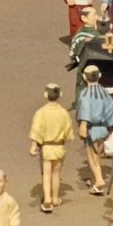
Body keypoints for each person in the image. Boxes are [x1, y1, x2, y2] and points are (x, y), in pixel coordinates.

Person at [28, 83, 74, 212]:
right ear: (60, 95)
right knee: (56, 173)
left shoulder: (41, 113)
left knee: (47, 174)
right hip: (59, 146)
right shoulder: (63, 113)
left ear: (45, 94)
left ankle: (47, 199)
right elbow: (68, 131)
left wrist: (34, 145)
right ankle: (55, 197)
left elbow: (36, 130)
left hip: (47, 147)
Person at [76, 65, 113, 197]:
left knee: (92, 157)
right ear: (100, 76)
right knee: (97, 155)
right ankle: (94, 179)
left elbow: (85, 110)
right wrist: (109, 125)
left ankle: (98, 180)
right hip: (103, 128)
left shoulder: (85, 94)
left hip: (91, 129)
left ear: (84, 77)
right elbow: (111, 111)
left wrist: (83, 124)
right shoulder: (105, 93)